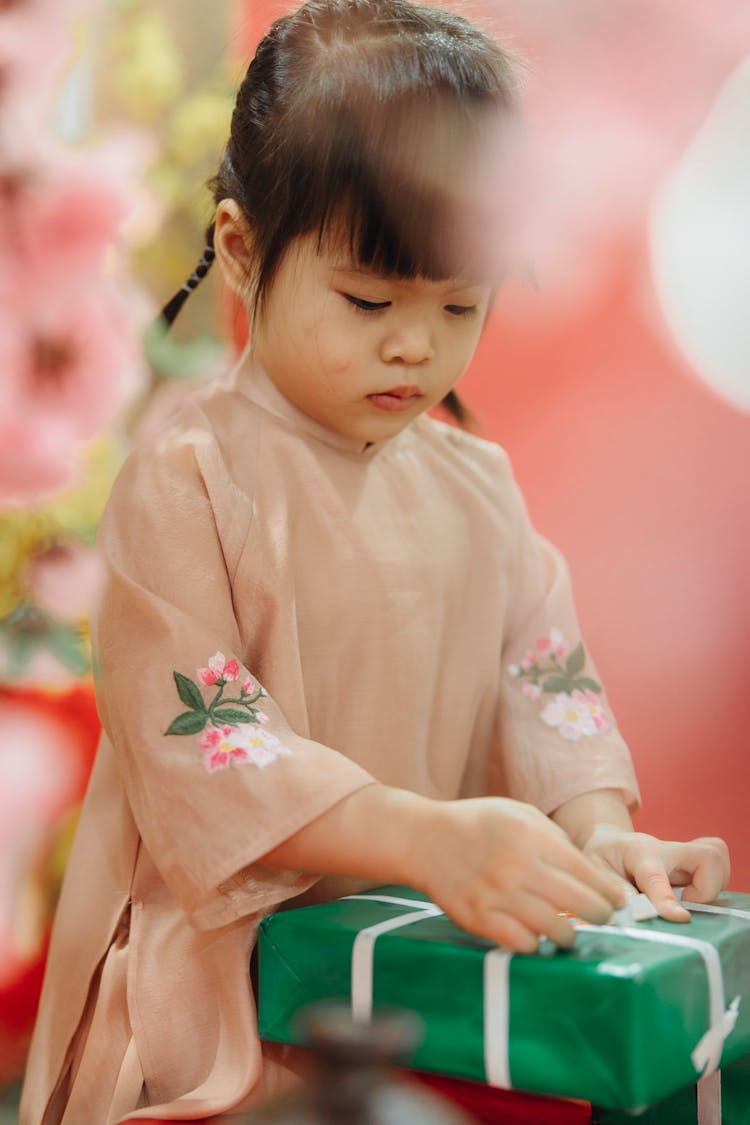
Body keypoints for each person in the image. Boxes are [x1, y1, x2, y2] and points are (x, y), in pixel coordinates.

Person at [20, 0, 730, 1121]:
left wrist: (603, 838)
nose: (415, 344)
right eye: (368, 299)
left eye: (460, 304)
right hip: (221, 986)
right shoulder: (188, 477)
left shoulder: (476, 486)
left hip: (406, 976)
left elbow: (545, 690)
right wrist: (421, 833)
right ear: (242, 251)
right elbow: (205, 748)